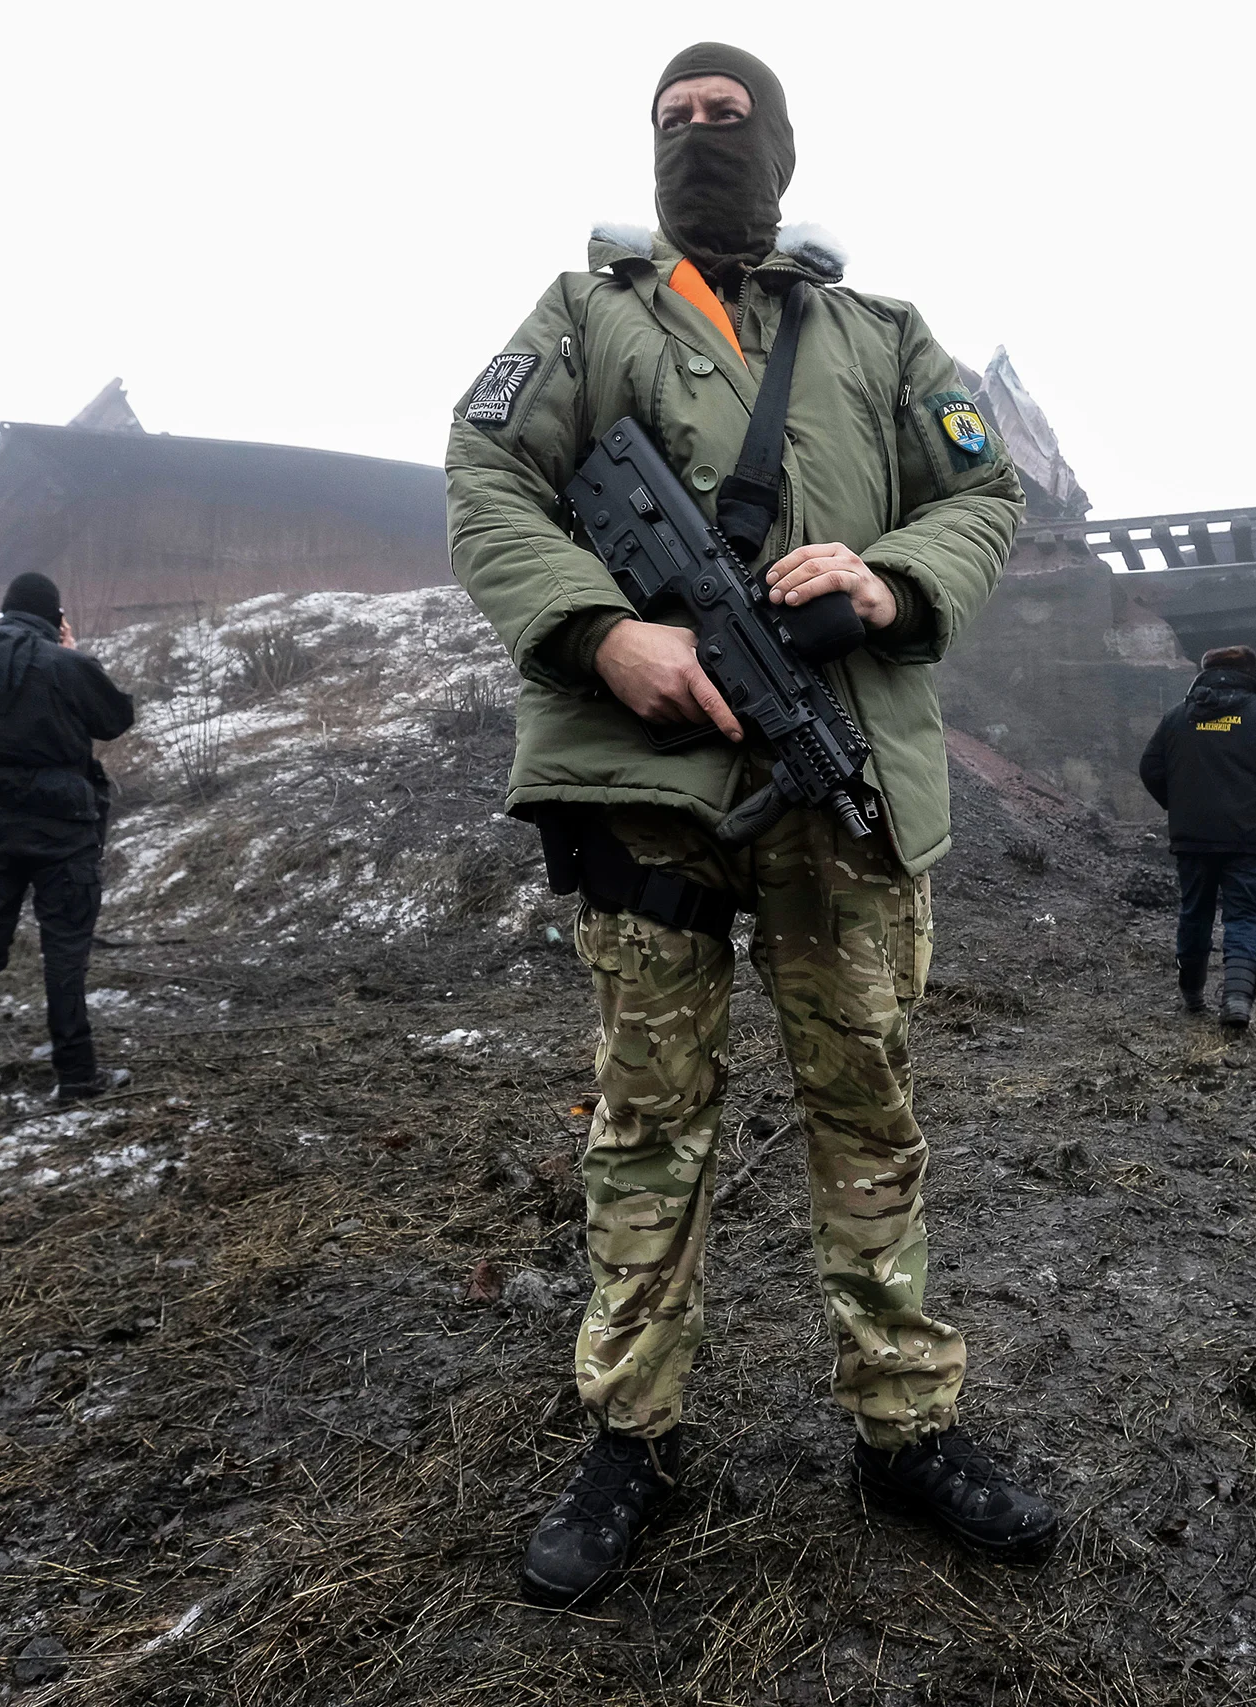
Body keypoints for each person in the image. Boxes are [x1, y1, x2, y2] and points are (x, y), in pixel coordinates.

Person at [446, 42, 1056, 1609]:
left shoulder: (879, 332)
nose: (703, 139)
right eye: (676, 122)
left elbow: (989, 499)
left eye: (730, 120)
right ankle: (630, 1435)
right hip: (643, 783)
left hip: (839, 767)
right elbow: (489, 474)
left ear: (779, 145)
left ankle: (905, 1427)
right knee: (649, 1123)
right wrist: (600, 631)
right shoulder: (588, 312)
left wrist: (886, 576)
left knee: (870, 1113)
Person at [0, 571, 135, 1103]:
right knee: (64, 951)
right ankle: (76, 1077)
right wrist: (75, 651)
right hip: (63, 826)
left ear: (5, 611)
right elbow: (114, 719)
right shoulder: (63, 663)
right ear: (54, 617)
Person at [1137, 644, 1256, 1028]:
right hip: (1248, 838)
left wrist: (1181, 806)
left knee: (1194, 911)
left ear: (1205, 673)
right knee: (1244, 915)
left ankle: (1192, 994)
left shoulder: (1178, 718)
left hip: (1192, 837)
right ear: (1251, 674)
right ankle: (1236, 1001)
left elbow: (1150, 768)